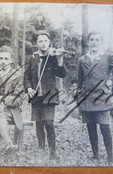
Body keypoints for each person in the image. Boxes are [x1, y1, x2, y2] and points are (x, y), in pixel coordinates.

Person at [77, 31, 113, 164]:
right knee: (90, 127)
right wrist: (79, 95)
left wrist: (112, 80)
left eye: (97, 40)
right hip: (87, 97)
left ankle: (110, 157)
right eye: (92, 40)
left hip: (102, 97)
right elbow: (80, 80)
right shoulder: (82, 59)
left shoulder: (107, 57)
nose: (94, 42)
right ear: (88, 42)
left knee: (104, 127)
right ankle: (95, 156)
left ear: (101, 43)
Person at [24, 30, 66, 159]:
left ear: (49, 43)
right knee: (39, 123)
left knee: (48, 122)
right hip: (36, 96)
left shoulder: (53, 57)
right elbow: (26, 77)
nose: (43, 44)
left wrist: (59, 60)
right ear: (36, 44)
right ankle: (41, 148)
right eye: (40, 41)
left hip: (50, 94)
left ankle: (53, 151)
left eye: (45, 41)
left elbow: (61, 74)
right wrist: (29, 88)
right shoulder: (32, 59)